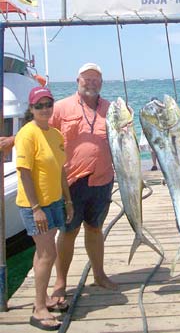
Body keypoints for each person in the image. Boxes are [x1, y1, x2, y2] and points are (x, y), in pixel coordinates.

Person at [50, 62, 118, 306]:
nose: (91, 82)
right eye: (86, 78)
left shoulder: (111, 109)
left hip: (103, 181)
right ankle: (60, 282)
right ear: (77, 81)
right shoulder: (60, 107)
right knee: (68, 232)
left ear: (101, 83)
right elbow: (39, 133)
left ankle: (99, 275)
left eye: (95, 79)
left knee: (95, 229)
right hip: (71, 183)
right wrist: (13, 141)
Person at [15, 86, 74, 331]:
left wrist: (68, 200)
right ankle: (38, 309)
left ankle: (44, 299)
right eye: (39, 105)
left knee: (43, 253)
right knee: (48, 253)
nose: (44, 109)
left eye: (48, 104)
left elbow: (61, 170)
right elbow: (24, 173)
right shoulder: (27, 134)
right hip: (35, 205)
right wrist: (36, 208)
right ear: (31, 109)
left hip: (54, 202)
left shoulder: (56, 135)